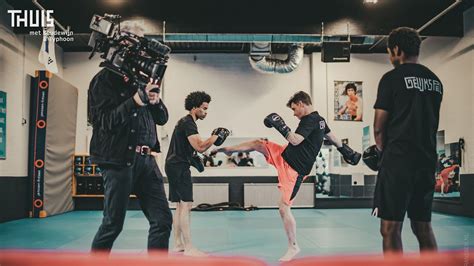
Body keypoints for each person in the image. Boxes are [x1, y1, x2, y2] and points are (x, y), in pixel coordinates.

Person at [212, 91, 361, 261]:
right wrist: (347, 151)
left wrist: (280, 125)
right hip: (284, 154)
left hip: (294, 170)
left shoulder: (310, 119)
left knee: (283, 207)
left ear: (302, 103)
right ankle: (224, 150)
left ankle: (293, 247)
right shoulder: (320, 121)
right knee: (257, 144)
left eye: (294, 109)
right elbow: (332, 137)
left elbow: (295, 140)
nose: (294, 113)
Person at [88, 23, 172, 252]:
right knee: (112, 225)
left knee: (162, 221)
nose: (139, 48)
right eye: (134, 39)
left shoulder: (141, 79)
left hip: (147, 161)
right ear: (121, 40)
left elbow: (163, 119)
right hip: (117, 161)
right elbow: (103, 122)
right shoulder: (103, 80)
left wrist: (155, 101)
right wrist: (134, 101)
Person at [363, 27, 443, 254]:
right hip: (427, 161)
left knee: (390, 228)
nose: (390, 57)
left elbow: (379, 128)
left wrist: (382, 153)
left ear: (396, 49)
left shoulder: (391, 78)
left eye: (390, 52)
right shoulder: (435, 81)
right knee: (423, 227)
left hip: (398, 161)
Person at [165, 91, 229, 256]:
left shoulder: (185, 123)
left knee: (180, 206)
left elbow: (194, 150)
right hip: (178, 167)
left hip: (174, 165)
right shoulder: (188, 123)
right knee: (186, 205)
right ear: (194, 107)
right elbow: (200, 146)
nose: (206, 112)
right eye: (204, 109)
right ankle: (189, 247)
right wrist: (215, 137)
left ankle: (178, 244)